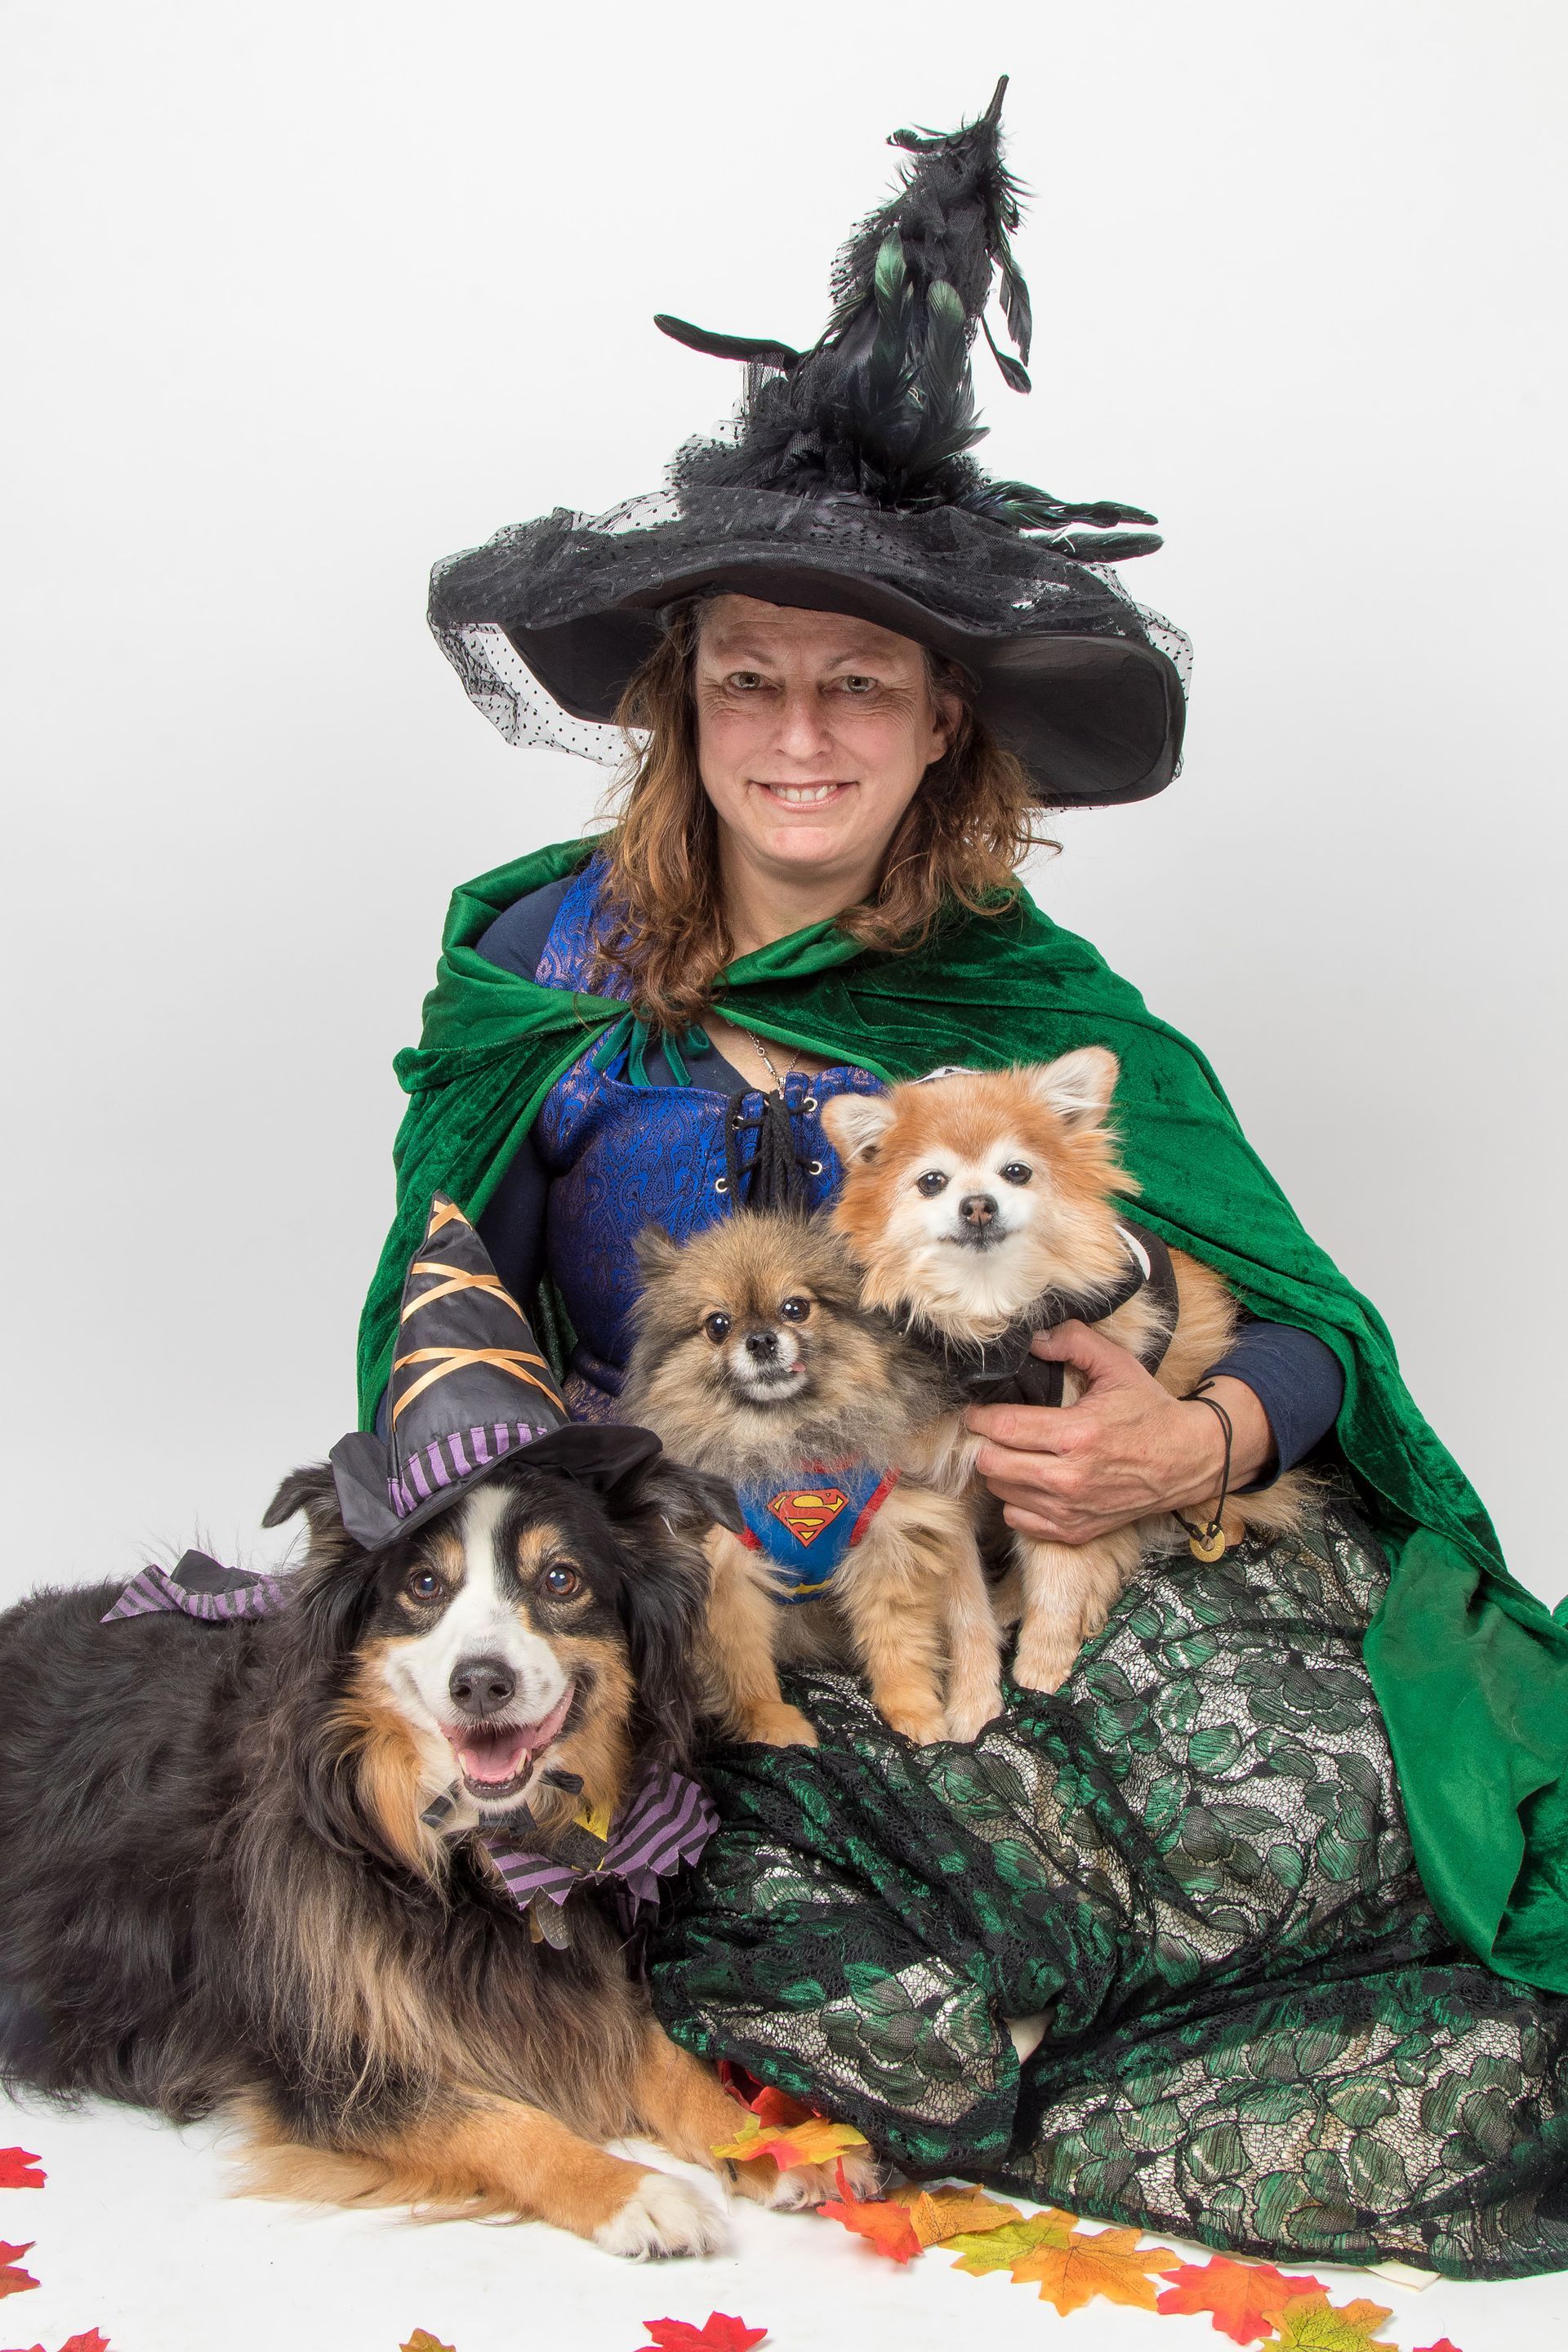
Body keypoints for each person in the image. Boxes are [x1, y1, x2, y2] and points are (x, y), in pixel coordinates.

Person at [359, 84, 1568, 2273]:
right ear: (681, 708)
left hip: (1026, 1546)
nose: (798, 733)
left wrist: (1184, 1436)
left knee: (1351, 1813)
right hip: (711, 1609)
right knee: (856, 1967)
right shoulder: (536, 973)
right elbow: (442, 1334)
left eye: (860, 684)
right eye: (750, 682)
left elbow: (1311, 1336)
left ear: (943, 730)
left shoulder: (1024, 1006)